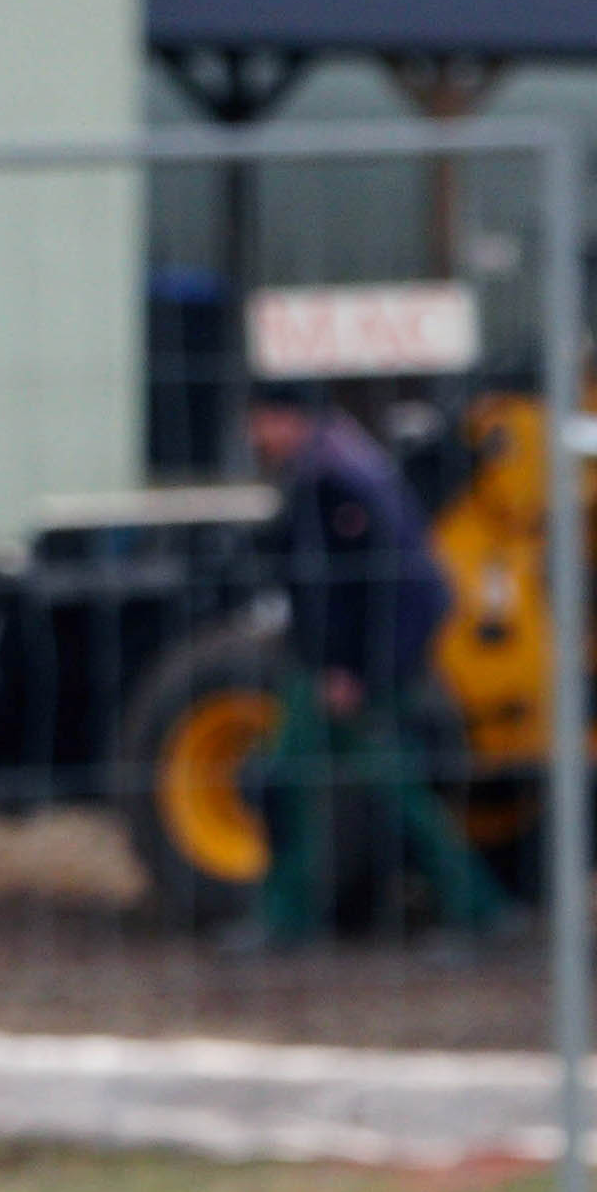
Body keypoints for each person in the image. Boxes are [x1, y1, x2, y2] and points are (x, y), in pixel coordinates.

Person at [242, 387, 512, 948]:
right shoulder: (345, 462)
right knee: (296, 781)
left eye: (260, 423)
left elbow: (362, 588)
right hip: (348, 665)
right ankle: (287, 918)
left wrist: (351, 672)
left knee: (375, 791)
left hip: (356, 670)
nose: (255, 437)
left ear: (284, 418)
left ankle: (478, 912)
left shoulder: (331, 479)